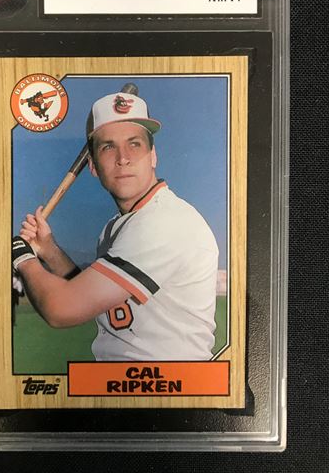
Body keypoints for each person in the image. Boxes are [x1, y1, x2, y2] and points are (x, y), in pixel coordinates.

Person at [12, 92, 219, 361]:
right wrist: (49, 250)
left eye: (134, 144)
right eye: (108, 147)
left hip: (171, 382)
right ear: (93, 166)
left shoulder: (165, 222)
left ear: (153, 156)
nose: (123, 158)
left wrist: (22, 257)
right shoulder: (119, 225)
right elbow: (94, 298)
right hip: (127, 380)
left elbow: (61, 308)